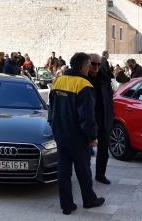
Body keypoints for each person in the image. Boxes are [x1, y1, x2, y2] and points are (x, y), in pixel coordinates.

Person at [48, 52, 104, 215]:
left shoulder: (58, 81)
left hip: (60, 134)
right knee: (84, 170)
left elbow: (51, 108)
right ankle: (89, 200)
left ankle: (67, 205)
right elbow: (87, 116)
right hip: (77, 137)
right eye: (88, 66)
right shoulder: (84, 85)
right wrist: (92, 137)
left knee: (64, 171)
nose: (89, 69)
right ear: (82, 67)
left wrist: (53, 126)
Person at [87, 53, 113, 185]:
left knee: (104, 151)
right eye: (93, 64)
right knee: (85, 151)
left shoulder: (105, 79)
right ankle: (84, 177)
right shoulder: (82, 79)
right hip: (88, 120)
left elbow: (110, 99)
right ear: (87, 63)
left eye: (98, 64)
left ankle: (100, 175)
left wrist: (111, 117)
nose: (96, 67)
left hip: (103, 119)